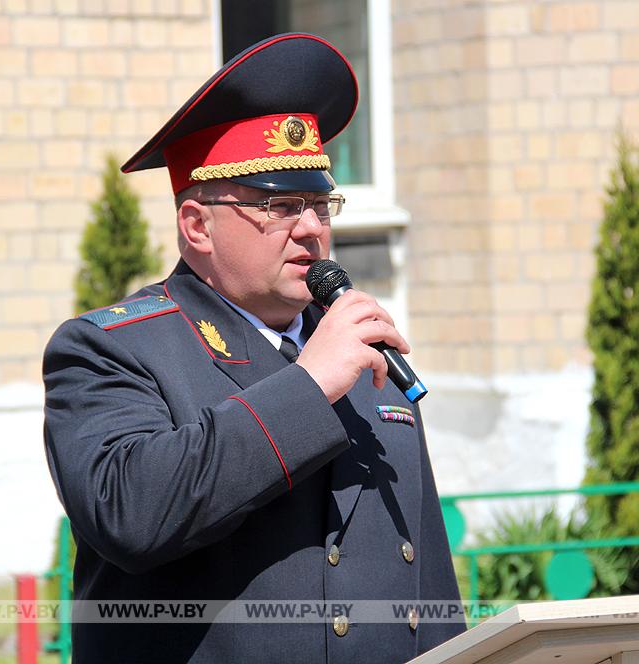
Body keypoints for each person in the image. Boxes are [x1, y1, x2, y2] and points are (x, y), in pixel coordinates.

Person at [43, 33, 465, 662]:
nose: (312, 228)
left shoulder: (361, 351)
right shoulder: (110, 348)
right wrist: (308, 385)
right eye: (279, 205)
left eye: (321, 203)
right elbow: (129, 514)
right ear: (197, 225)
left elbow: (428, 591)